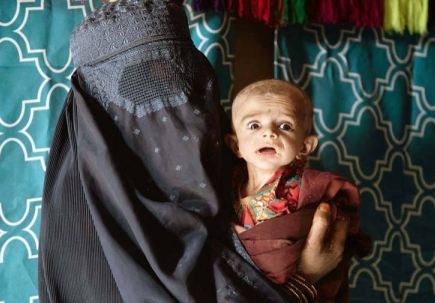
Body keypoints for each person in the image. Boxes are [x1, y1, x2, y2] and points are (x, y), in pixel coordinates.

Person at [38, 0, 350, 302]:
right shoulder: (84, 262)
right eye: (140, 98)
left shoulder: (240, 184)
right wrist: (304, 280)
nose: (173, 118)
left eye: (184, 93)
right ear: (102, 127)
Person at [225, 79, 371, 302]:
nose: (270, 133)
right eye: (254, 125)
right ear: (236, 146)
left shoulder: (311, 189)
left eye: (285, 126)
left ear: (305, 147)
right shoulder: (224, 189)